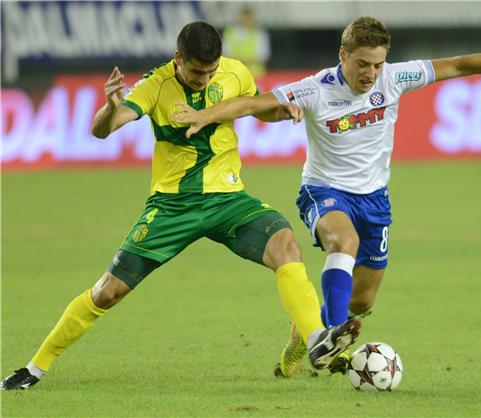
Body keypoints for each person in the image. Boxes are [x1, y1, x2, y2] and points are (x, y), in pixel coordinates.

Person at [171, 16, 481, 377]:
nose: (370, 74)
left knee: (362, 301)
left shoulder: (395, 77)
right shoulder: (316, 88)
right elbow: (257, 102)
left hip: (375, 199)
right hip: (322, 190)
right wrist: (207, 115)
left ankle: (306, 331)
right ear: (343, 55)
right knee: (344, 241)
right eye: (362, 64)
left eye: (377, 65)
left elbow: (460, 64)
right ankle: (334, 346)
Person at [0, 21, 361, 391]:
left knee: (286, 246)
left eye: (210, 71)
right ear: (178, 59)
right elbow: (102, 129)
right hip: (173, 207)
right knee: (107, 292)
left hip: (229, 199)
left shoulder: (234, 71)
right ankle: (35, 367)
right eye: (196, 72)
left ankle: (317, 339)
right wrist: (110, 109)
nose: (204, 79)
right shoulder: (155, 85)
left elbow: (256, 106)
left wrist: (281, 111)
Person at [222, 5, 270, 78]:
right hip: (233, 75)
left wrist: (241, 60)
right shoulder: (230, 32)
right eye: (244, 16)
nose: (246, 19)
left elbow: (263, 56)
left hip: (255, 76)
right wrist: (245, 60)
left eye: (249, 17)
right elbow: (225, 54)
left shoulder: (259, 33)